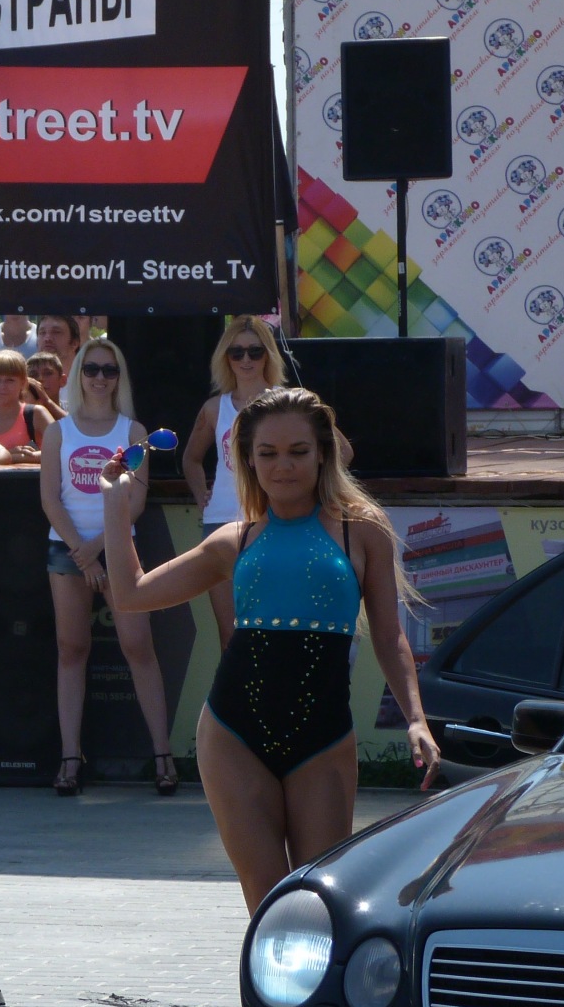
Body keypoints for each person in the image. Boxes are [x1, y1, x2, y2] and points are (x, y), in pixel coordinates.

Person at [100, 386, 440, 911]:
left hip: (323, 738)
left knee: (318, 904)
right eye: (268, 453)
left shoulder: (362, 530)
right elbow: (131, 594)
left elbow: (390, 635)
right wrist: (114, 501)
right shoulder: (233, 540)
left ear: (323, 453)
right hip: (234, 735)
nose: (283, 466)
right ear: (248, 461)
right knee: (269, 905)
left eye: (298, 451)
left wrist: (416, 718)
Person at [39, 338, 175, 797]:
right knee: (71, 650)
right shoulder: (58, 432)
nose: (100, 377)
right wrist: (82, 551)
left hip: (116, 550)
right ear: (78, 373)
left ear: (120, 378)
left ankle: (162, 756)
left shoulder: (133, 431)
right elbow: (50, 499)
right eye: (92, 368)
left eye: (109, 370)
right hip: (67, 551)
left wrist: (98, 549)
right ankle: (69, 758)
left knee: (139, 647)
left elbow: (135, 500)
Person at [181, 317, 288, 648]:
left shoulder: (289, 402)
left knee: (275, 628)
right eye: (236, 352)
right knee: (230, 634)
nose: (245, 360)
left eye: (255, 351)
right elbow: (191, 459)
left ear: (268, 354)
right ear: (225, 358)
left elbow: (340, 452)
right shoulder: (215, 408)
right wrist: (202, 494)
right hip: (221, 523)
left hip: (274, 523)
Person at [0, 350, 51, 467]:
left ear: (23, 383)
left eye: (10, 380)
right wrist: (8, 455)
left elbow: (64, 449)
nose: (2, 386)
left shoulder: (36, 413)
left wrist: (10, 457)